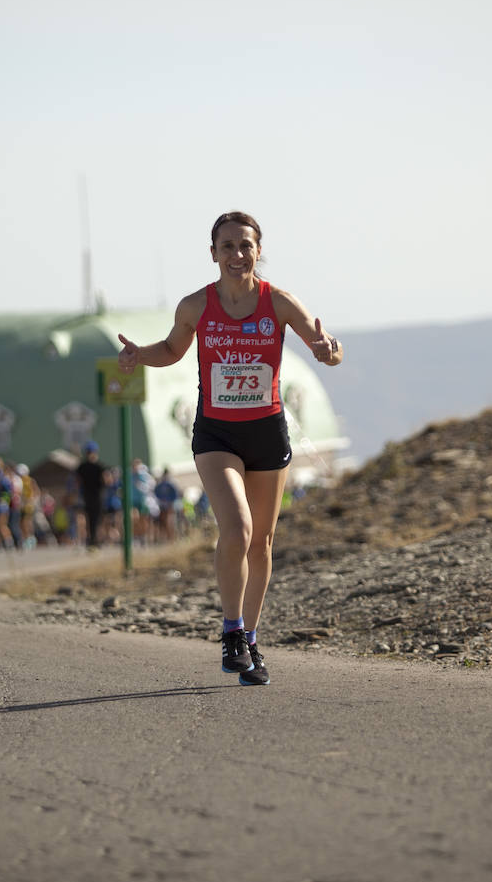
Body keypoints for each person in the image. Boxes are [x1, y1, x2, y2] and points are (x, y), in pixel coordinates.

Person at [117, 210, 343, 686]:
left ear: (258, 251)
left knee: (261, 543)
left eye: (246, 246)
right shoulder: (195, 306)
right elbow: (172, 350)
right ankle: (231, 632)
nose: (237, 255)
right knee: (236, 527)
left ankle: (253, 643)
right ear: (213, 253)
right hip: (217, 433)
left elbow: (325, 347)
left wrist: (329, 350)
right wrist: (139, 356)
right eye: (228, 247)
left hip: (267, 432)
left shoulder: (278, 302)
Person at [75, 441, 107, 549]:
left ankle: (92, 539)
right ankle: (95, 540)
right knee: (96, 519)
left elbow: (77, 482)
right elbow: (107, 480)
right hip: (96, 496)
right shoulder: (99, 466)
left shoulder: (82, 466)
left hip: (87, 496)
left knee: (90, 519)